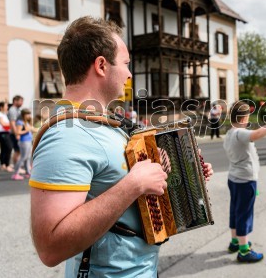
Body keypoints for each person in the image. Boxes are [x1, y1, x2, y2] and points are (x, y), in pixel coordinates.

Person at [29, 16, 213, 277]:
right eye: (126, 64)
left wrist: (176, 170)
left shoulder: (102, 122)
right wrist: (133, 184)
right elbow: (50, 247)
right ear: (102, 65)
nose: (129, 73)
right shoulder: (66, 135)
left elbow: (114, 181)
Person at [223, 100, 266, 263]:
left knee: (235, 210)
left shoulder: (229, 133)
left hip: (234, 178)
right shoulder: (239, 133)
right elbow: (257, 134)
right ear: (244, 118)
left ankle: (235, 241)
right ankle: (244, 251)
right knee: (244, 213)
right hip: (245, 180)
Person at [11, 109, 33, 180]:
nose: (29, 116)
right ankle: (15, 174)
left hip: (29, 141)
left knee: (28, 157)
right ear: (24, 115)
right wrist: (27, 130)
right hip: (24, 142)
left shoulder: (26, 122)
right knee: (23, 157)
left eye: (29, 114)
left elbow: (31, 129)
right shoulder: (20, 122)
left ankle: (28, 172)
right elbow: (18, 132)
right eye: (28, 114)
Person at [8, 95, 23, 165]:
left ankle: (17, 166)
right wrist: (16, 134)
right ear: (15, 101)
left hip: (18, 133)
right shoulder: (13, 110)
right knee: (17, 151)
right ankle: (16, 167)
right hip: (14, 133)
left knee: (19, 151)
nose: (22, 103)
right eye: (20, 101)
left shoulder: (17, 109)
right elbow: (12, 123)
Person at [0, 101, 13, 172]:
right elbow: (3, 124)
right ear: (1, 107)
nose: (7, 107)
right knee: (9, 147)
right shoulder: (0, 114)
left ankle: (3, 164)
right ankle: (6, 165)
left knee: (4, 149)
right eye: (6, 106)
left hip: (6, 132)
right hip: (3, 133)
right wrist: (12, 124)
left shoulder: (4, 114)